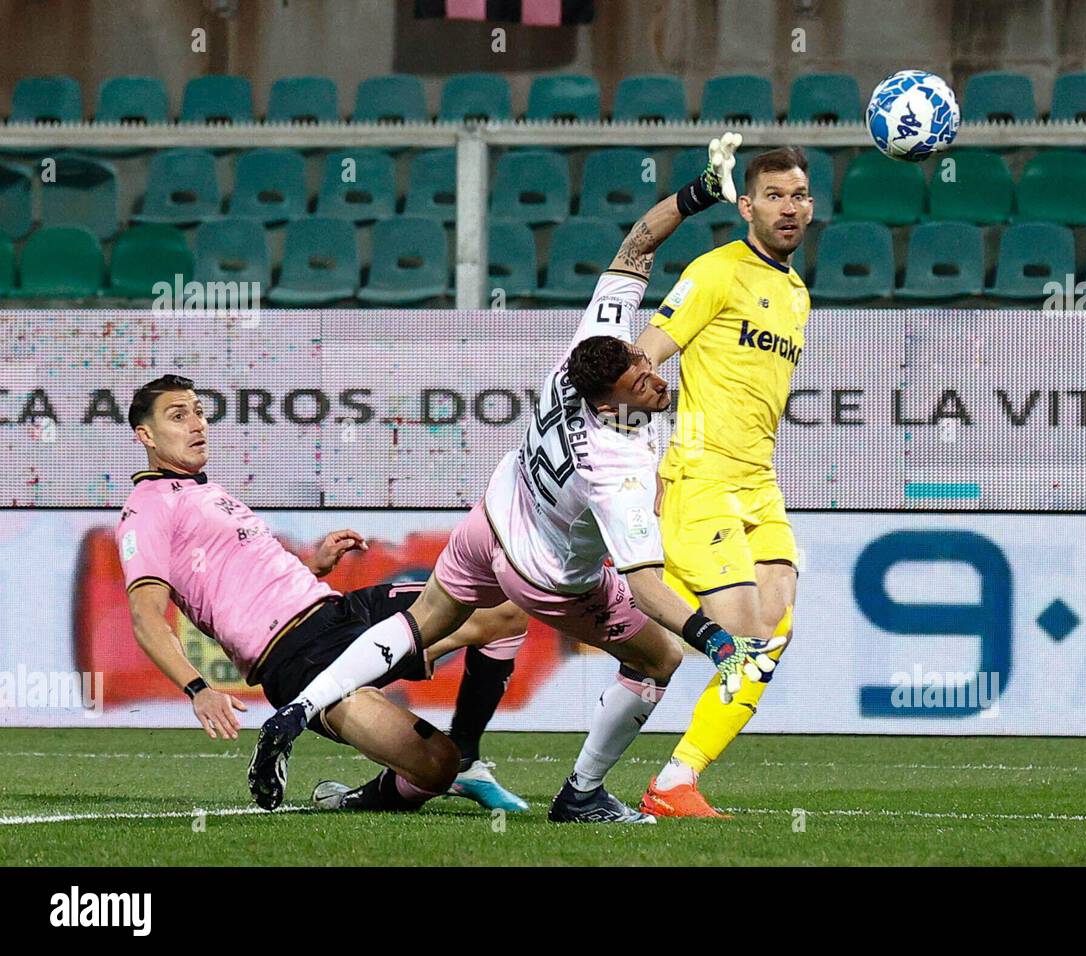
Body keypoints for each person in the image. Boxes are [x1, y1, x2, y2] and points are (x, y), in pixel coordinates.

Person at [253, 133, 784, 823]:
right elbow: (647, 583)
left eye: (647, 368)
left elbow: (636, 246)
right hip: (546, 571)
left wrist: (699, 194)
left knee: (420, 623)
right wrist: (713, 638)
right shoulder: (612, 462)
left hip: (494, 518)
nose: (656, 379)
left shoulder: (588, 347)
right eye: (640, 384)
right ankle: (582, 793)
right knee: (659, 661)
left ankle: (299, 709)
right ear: (604, 403)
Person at [115, 374, 530, 813]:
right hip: (296, 658)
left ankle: (467, 751)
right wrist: (198, 689)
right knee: (433, 765)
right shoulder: (147, 508)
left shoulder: (209, 493)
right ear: (146, 435)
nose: (197, 424)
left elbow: (240, 577)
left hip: (338, 612)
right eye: (178, 417)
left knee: (504, 611)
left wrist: (313, 564)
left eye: (198, 412)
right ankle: (363, 797)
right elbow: (145, 617)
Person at [633, 146, 813, 818]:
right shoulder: (714, 273)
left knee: (776, 629)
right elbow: (641, 360)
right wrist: (643, 460)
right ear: (747, 206)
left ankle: (676, 779)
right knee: (744, 641)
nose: (789, 207)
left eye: (798, 195)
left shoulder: (797, 294)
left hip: (760, 484)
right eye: (773, 195)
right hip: (702, 478)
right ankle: (638, 616)